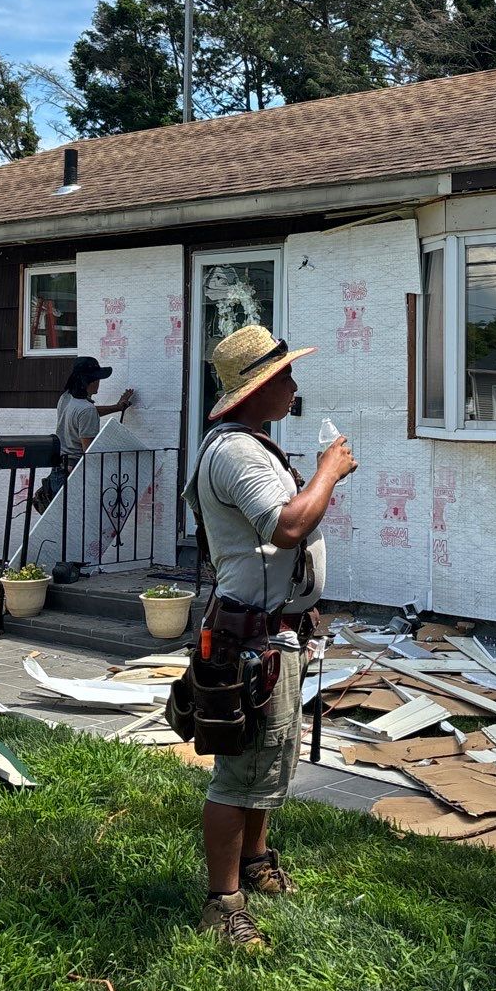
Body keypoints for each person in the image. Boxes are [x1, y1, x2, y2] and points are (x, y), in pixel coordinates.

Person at [185, 323, 355, 949]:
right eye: (283, 376)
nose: (293, 386)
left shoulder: (254, 446)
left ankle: (255, 863)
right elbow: (287, 526)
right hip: (250, 641)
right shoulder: (234, 453)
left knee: (268, 760)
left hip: (272, 634)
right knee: (240, 770)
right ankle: (222, 903)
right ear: (255, 388)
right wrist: (329, 472)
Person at [32, 356, 134, 513]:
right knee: (75, 525)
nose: (99, 382)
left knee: (62, 525)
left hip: (58, 470)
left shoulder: (66, 398)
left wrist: (117, 407)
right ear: (90, 381)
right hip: (73, 473)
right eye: (97, 378)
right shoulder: (86, 410)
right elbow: (89, 451)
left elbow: (85, 414)